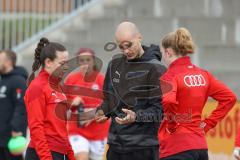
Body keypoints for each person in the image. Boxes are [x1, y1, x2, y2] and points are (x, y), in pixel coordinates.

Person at [158, 28, 237, 160]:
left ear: (168, 52)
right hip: (200, 147)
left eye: (162, 54)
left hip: (175, 148)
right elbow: (230, 98)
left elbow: (169, 101)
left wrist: (171, 127)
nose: (163, 59)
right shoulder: (203, 74)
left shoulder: (170, 76)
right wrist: (207, 124)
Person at [95, 22, 166, 160]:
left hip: (144, 148)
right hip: (115, 146)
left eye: (129, 45)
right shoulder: (114, 65)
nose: (126, 50)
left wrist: (136, 116)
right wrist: (102, 111)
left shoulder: (156, 68)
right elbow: (109, 101)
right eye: (121, 47)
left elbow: (159, 111)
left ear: (139, 37)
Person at [24, 38, 75, 160]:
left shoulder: (58, 86)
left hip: (60, 152)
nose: (66, 67)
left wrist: (70, 154)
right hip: (43, 154)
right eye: (62, 63)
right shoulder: (37, 87)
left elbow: (61, 128)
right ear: (48, 62)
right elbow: (36, 127)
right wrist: (46, 157)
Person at [65, 48, 110, 160]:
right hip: (77, 131)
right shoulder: (71, 80)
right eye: (81, 60)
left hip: (99, 132)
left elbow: (110, 105)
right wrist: (72, 103)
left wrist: (93, 115)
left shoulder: (101, 80)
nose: (85, 63)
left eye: (88, 60)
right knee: (81, 157)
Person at [0, 50, 27, 160]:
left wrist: (16, 128)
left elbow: (21, 106)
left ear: (8, 62)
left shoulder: (18, 81)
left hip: (12, 137)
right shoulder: (2, 81)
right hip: (1, 136)